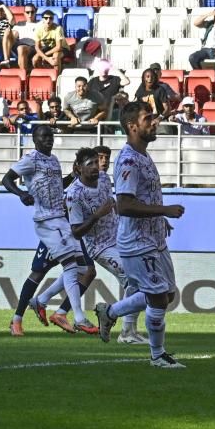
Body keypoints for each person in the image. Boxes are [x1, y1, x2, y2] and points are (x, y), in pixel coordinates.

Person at [95, 102, 188, 368]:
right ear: (132, 126)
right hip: (137, 242)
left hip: (154, 239)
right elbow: (123, 205)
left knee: (167, 295)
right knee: (158, 296)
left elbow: (141, 199)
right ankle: (157, 356)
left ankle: (110, 311)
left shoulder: (143, 155)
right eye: (148, 118)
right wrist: (164, 210)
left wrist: (159, 218)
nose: (154, 122)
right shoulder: (128, 160)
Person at [2, 125, 98, 335]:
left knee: (81, 268)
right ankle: (75, 317)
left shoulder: (53, 160)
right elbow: (6, 179)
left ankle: (39, 303)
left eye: (51, 136)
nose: (48, 140)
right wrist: (21, 194)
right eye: (43, 136)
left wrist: (73, 176)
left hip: (61, 220)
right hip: (47, 221)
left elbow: (57, 186)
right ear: (35, 139)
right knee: (68, 267)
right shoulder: (30, 159)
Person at [67, 146, 144, 344]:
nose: (95, 167)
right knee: (132, 278)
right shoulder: (74, 195)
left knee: (138, 281)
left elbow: (112, 202)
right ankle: (124, 328)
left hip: (121, 237)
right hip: (100, 247)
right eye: (90, 163)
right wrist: (96, 215)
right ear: (78, 169)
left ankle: (128, 330)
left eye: (96, 162)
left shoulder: (104, 179)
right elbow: (76, 231)